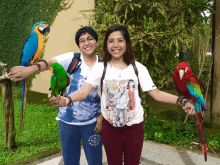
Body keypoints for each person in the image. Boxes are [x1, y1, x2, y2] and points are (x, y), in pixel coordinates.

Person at [48, 24, 196, 165]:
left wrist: (182, 101)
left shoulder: (138, 68)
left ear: (127, 43)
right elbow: (84, 91)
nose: (115, 45)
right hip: (110, 129)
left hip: (134, 128)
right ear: (106, 45)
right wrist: (67, 99)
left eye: (120, 40)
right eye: (111, 41)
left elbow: (156, 93)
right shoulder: (101, 68)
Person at [8, 27, 103, 165]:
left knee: (95, 161)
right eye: (82, 41)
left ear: (97, 42)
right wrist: (29, 69)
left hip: (92, 124)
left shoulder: (105, 65)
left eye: (90, 39)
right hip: (67, 122)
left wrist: (101, 115)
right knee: (70, 161)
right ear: (79, 46)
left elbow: (107, 94)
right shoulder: (72, 59)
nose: (86, 43)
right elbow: (48, 63)